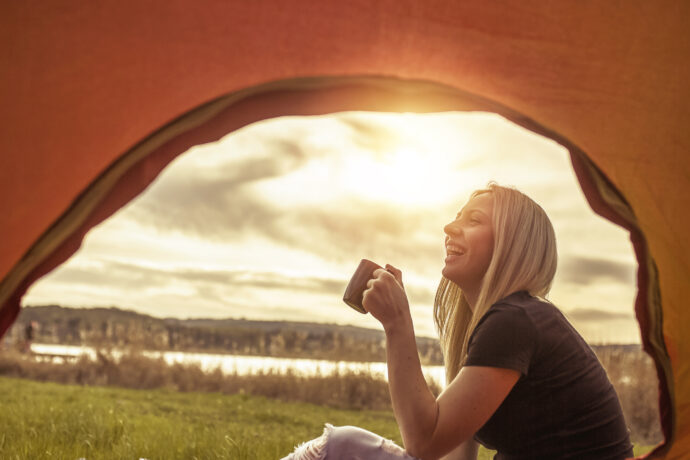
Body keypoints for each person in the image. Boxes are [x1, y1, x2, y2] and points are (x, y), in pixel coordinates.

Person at [282, 183, 633, 460]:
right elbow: (451, 451)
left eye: (474, 220)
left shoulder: (515, 322)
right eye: (457, 217)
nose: (449, 227)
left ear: (511, 245)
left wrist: (397, 325)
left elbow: (425, 442)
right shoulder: (504, 323)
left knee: (342, 447)